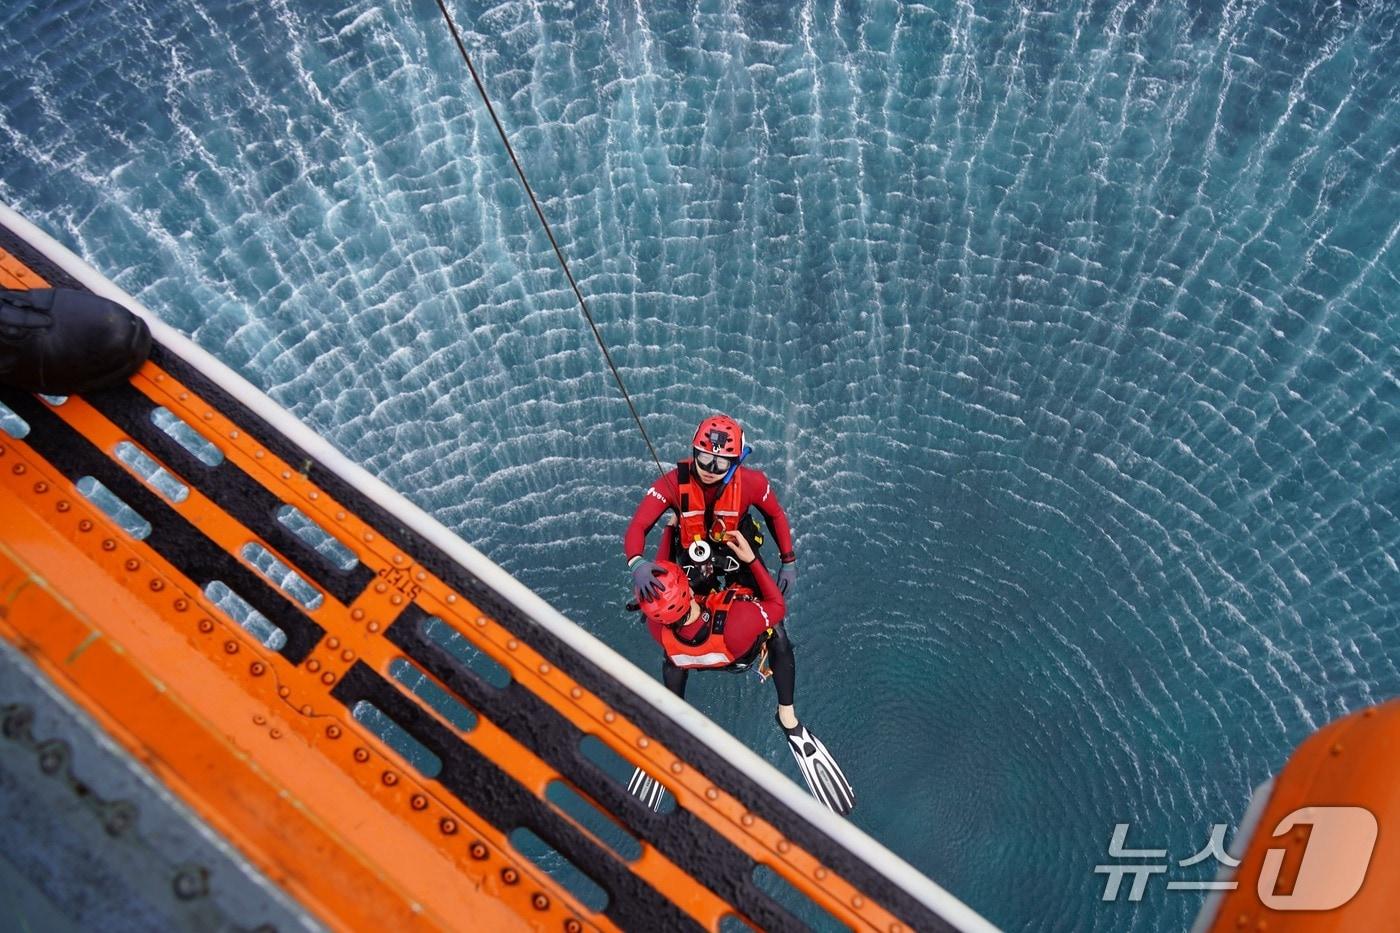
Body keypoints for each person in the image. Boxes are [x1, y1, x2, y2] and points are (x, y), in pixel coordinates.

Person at [627, 531, 855, 816]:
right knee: (778, 634)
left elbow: (663, 581)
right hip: (738, 654)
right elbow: (775, 606)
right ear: (685, 591)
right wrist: (751, 560)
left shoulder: (656, 627)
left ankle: (670, 715)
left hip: (692, 658)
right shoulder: (739, 620)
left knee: (671, 658)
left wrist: (671, 530)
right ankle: (787, 717)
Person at [624, 414, 797, 600]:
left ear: (735, 462)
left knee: (763, 602)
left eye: (721, 463)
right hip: (694, 550)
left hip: (738, 546)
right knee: (683, 609)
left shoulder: (753, 483)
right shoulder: (671, 484)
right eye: (704, 458)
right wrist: (637, 562)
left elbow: (775, 515)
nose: (710, 470)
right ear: (694, 452)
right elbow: (639, 524)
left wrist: (788, 561)